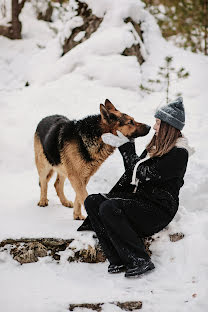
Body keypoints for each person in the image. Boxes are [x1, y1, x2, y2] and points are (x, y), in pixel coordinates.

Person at [77, 97, 194, 278]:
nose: (154, 127)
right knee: (93, 201)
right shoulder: (156, 146)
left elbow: (144, 174)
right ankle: (116, 259)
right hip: (142, 202)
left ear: (168, 127)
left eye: (158, 123)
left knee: (109, 207)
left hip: (158, 210)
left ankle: (140, 260)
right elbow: (131, 176)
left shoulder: (179, 153)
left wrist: (127, 148)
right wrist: (106, 199)